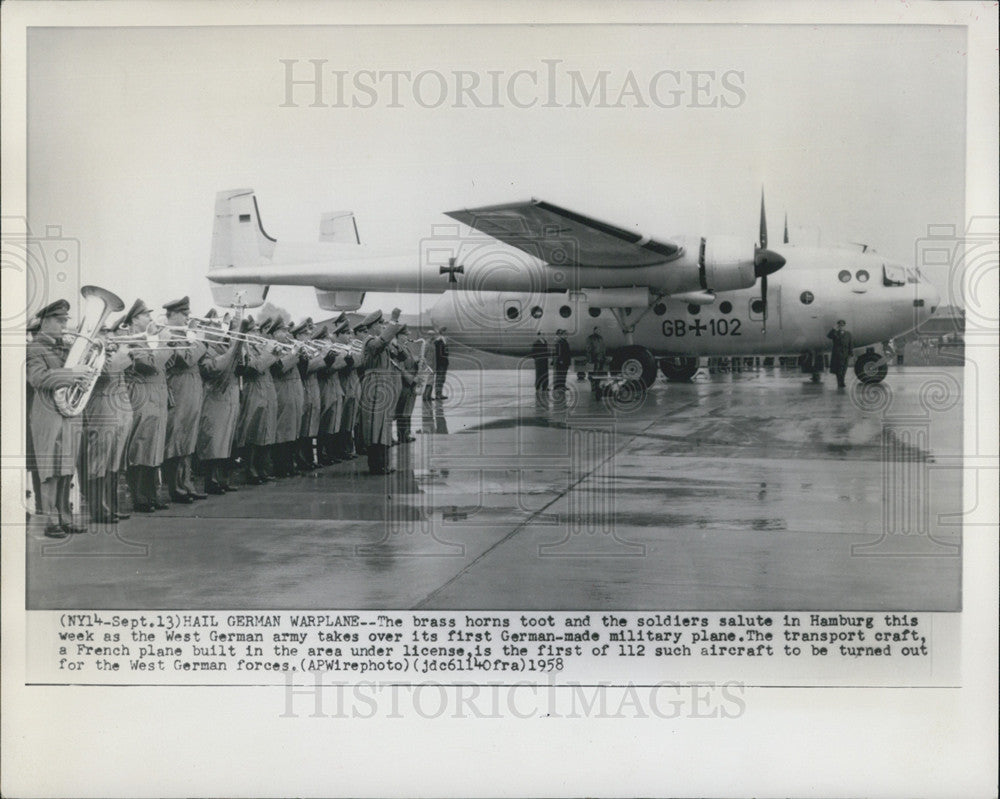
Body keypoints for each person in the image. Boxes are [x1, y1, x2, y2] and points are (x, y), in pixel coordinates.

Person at [25, 299, 91, 537]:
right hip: (48, 413)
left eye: (65, 321)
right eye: (59, 320)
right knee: (49, 468)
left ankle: (64, 517)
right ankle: (51, 520)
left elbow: (82, 377)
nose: (64, 325)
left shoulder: (65, 347)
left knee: (66, 467)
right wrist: (73, 374)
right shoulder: (34, 349)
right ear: (45, 321)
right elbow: (38, 379)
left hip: (70, 414)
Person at [122, 299, 172, 513]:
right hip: (142, 397)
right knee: (140, 446)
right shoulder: (131, 341)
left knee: (154, 448)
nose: (151, 320)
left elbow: (165, 365)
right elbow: (148, 365)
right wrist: (163, 343)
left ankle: (151, 494)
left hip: (157, 397)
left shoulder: (146, 340)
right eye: (146, 316)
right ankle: (139, 497)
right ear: (134, 319)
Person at [82, 324, 134, 523]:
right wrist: (122, 350)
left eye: (107, 332)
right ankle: (97, 508)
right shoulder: (90, 351)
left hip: (117, 406)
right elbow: (107, 372)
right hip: (101, 405)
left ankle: (110, 505)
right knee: (99, 458)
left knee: (114, 459)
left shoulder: (108, 350)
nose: (107, 336)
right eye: (103, 332)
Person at [161, 296, 208, 503]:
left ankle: (186, 483)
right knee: (176, 438)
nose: (188, 318)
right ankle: (175, 487)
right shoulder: (168, 335)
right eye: (184, 314)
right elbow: (187, 358)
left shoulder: (185, 335)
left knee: (188, 439)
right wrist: (200, 340)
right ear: (171, 315)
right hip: (178, 389)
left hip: (192, 388)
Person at [197, 312, 244, 494]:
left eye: (219, 326)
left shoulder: (223, 346)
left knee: (227, 440)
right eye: (214, 326)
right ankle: (212, 480)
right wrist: (232, 351)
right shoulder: (206, 348)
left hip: (229, 398)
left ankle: (223, 479)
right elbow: (211, 368)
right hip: (215, 396)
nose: (219, 330)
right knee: (213, 440)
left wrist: (237, 346)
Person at [359, 310, 404, 474]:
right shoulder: (370, 342)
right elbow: (380, 343)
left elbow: (402, 356)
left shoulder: (383, 343)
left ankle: (383, 463)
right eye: (379, 324)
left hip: (383, 384)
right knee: (375, 424)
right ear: (371, 327)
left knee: (383, 424)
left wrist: (396, 344)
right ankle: (376, 465)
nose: (382, 326)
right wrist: (393, 322)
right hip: (375, 384)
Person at [233, 317, 278, 484]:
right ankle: (250, 468)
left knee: (266, 429)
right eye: (252, 331)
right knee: (253, 428)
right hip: (253, 388)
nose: (257, 334)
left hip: (267, 388)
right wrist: (268, 352)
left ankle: (262, 467)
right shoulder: (244, 348)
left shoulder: (258, 347)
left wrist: (275, 353)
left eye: (257, 331)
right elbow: (254, 368)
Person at [269, 318, 305, 477]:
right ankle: (281, 467)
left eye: (287, 331)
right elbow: (279, 368)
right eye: (282, 331)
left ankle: (290, 464)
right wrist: (294, 354)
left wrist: (303, 357)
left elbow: (302, 372)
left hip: (294, 392)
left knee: (293, 429)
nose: (287, 334)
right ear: (274, 333)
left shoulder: (288, 348)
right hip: (282, 391)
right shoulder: (273, 348)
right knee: (282, 430)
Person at [394, 328, 419, 444]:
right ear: (398, 335)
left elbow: (411, 363)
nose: (407, 337)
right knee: (402, 410)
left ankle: (406, 433)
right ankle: (402, 435)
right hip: (404, 382)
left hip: (410, 383)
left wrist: (418, 363)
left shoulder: (406, 347)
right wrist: (411, 379)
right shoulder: (397, 348)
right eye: (404, 335)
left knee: (408, 409)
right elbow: (400, 367)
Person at [827, 319, 854, 388]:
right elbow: (829, 336)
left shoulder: (848, 334)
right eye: (840, 325)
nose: (841, 327)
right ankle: (840, 382)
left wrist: (851, 353)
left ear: (844, 326)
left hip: (845, 353)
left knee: (844, 368)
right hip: (837, 354)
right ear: (838, 326)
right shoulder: (835, 333)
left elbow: (850, 343)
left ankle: (842, 380)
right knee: (839, 369)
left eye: (842, 325)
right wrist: (833, 329)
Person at [432, 326, 449, 400]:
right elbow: (439, 353)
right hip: (440, 363)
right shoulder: (438, 342)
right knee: (439, 379)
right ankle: (438, 394)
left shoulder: (444, 342)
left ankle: (440, 393)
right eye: (443, 332)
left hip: (444, 363)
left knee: (442, 379)